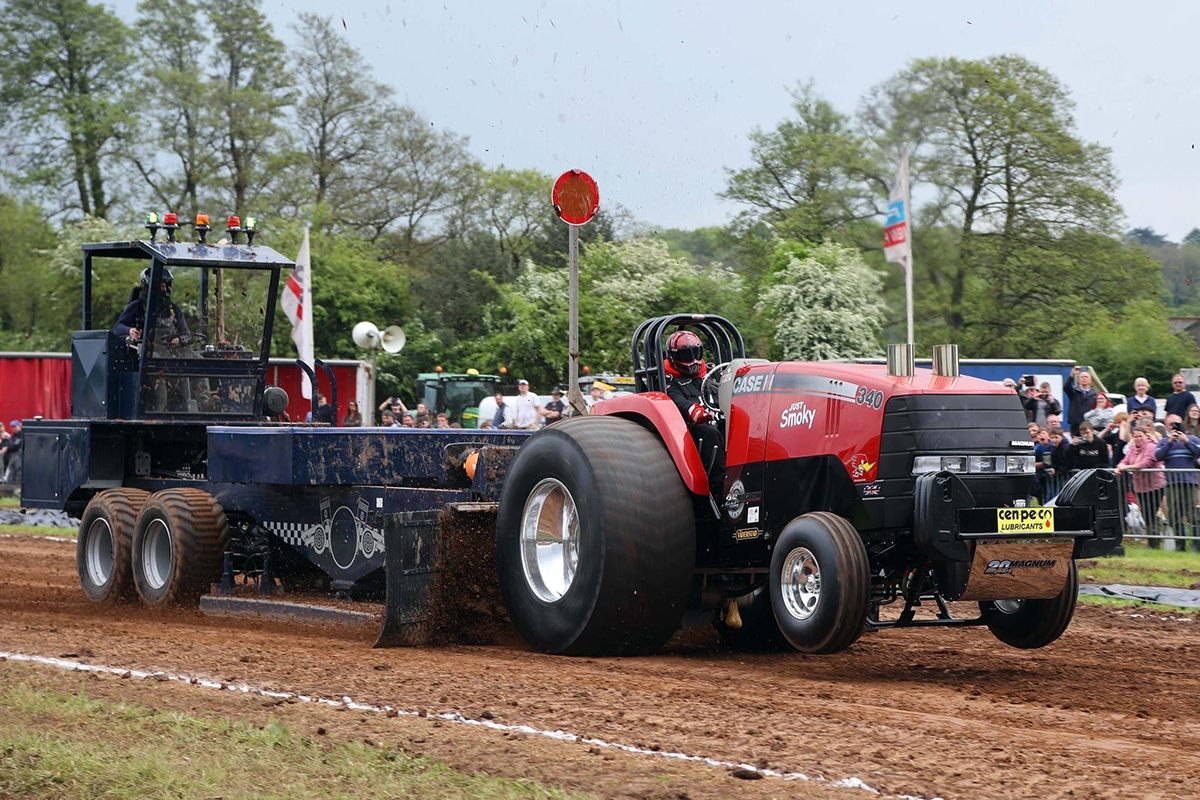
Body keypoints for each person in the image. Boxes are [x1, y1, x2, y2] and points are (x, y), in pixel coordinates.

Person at [663, 330, 725, 501]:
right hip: (688, 430)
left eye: (696, 353)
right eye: (686, 355)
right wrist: (693, 410)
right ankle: (721, 490)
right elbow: (676, 400)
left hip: (720, 419)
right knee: (709, 433)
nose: (693, 360)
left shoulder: (713, 372)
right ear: (673, 357)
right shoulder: (667, 380)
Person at [1154, 414, 1200, 553]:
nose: (1174, 426)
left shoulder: (1192, 438)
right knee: (1174, 516)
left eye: (1176, 424)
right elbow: (1158, 456)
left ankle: (1197, 545)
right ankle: (1180, 546)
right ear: (1167, 426)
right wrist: (1169, 442)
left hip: (1189, 482)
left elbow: (1198, 452)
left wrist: (1186, 441)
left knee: (1193, 514)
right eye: (1171, 424)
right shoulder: (1163, 441)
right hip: (1172, 482)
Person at [1117, 422, 1167, 546]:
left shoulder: (1151, 447)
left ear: (1146, 435)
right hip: (1140, 487)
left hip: (1155, 486)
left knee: (1150, 514)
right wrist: (1120, 467)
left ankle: (1153, 543)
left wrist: (1125, 467)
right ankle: (1155, 537)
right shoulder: (1133, 448)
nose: (1138, 439)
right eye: (1136, 436)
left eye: (1140, 436)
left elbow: (1144, 464)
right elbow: (1123, 461)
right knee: (1146, 514)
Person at [1064, 367, 1098, 436]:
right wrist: (1071, 375)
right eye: (1082, 377)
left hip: (1088, 425)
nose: (1084, 378)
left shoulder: (1094, 394)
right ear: (1079, 380)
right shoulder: (1074, 392)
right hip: (1075, 425)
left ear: (1090, 380)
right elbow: (1066, 387)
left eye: (1086, 377)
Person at [2, 420, 22, 485]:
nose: (13, 428)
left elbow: (16, 445)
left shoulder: (21, 435)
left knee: (18, 471)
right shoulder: (13, 436)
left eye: (15, 426)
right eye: (12, 427)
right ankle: (10, 487)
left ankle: (18, 487)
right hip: (12, 457)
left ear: (19, 426)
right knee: (11, 471)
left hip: (18, 456)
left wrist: (7, 449)